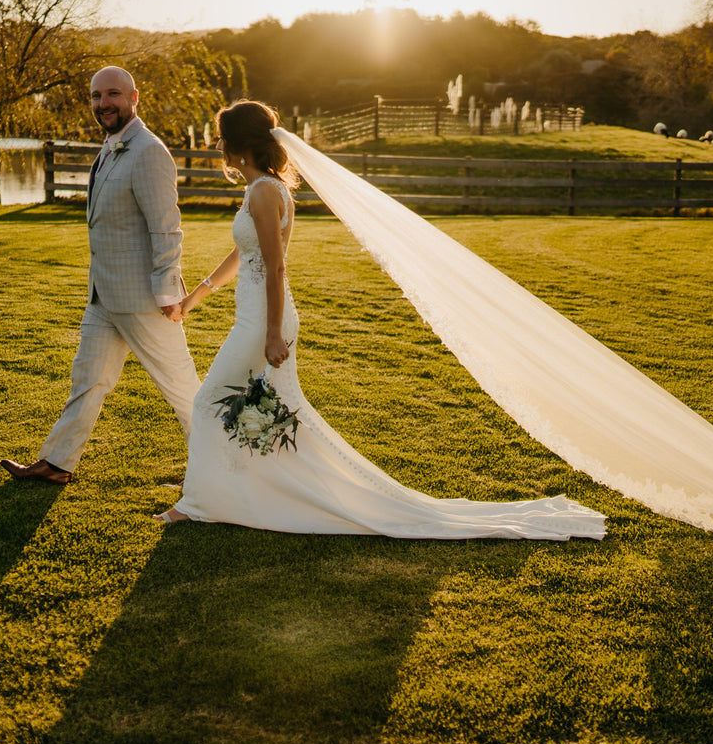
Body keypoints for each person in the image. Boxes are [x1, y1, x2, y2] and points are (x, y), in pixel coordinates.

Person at [153, 101, 606, 540]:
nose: (217, 147)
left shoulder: (266, 190)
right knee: (251, 407)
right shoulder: (259, 190)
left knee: (213, 400)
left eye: (221, 139)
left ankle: (197, 502)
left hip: (264, 321)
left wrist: (272, 332)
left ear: (237, 145)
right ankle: (223, 487)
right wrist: (194, 299)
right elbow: (243, 254)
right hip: (254, 315)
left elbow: (275, 266)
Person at [1, 67, 200, 485]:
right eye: (95, 96)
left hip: (146, 298)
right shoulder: (112, 146)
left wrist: (167, 292)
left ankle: (221, 467)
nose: (103, 103)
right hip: (103, 295)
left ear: (134, 97)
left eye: (112, 94)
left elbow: (166, 228)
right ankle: (56, 463)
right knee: (87, 381)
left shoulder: (148, 151)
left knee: (181, 388)